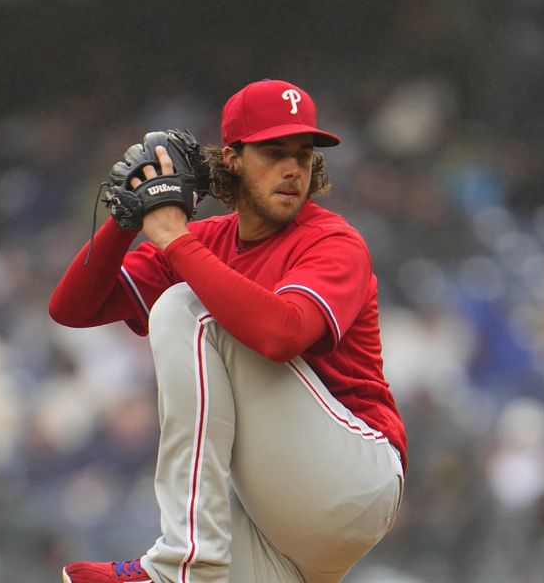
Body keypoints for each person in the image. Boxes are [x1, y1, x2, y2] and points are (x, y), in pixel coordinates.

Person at [49, 78, 406, 583]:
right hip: (276, 520)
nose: (292, 169)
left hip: (352, 475)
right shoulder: (203, 241)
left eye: (303, 155)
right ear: (233, 159)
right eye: (273, 152)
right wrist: (128, 217)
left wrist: (173, 239)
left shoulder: (332, 241)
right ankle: (191, 562)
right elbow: (73, 309)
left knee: (183, 309)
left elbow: (282, 335)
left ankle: (180, 564)